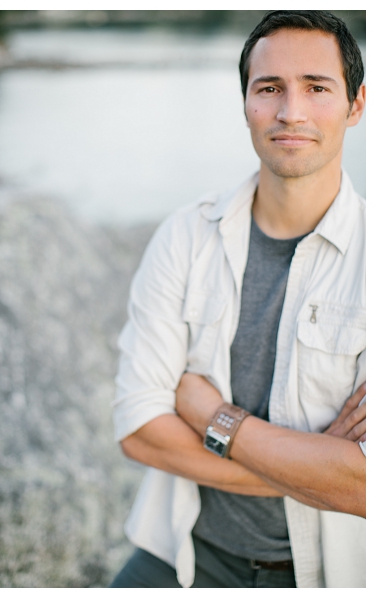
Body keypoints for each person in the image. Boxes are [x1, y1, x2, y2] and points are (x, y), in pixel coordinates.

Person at [110, 11, 365, 588]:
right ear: (246, 104)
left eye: (317, 88)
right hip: (181, 552)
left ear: (356, 105)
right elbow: (139, 427)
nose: (289, 111)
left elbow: (363, 486)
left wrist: (210, 415)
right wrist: (317, 468)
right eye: (269, 88)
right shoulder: (185, 234)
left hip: (325, 576)